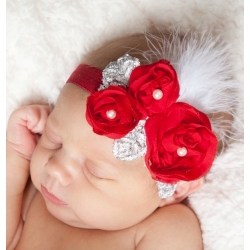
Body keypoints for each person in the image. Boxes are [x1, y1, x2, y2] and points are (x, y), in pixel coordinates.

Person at [6, 29, 237, 250]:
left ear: (175, 189)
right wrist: (16, 158)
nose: (54, 167)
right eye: (54, 139)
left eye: (93, 171)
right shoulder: (40, 199)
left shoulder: (166, 227)